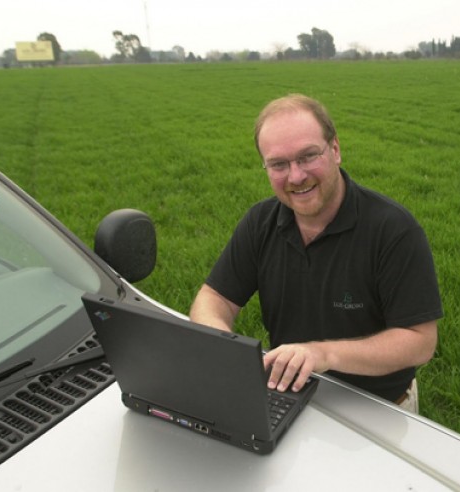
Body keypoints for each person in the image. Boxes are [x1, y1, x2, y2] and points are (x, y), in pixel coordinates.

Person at [189, 94, 443, 413]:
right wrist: (225, 345)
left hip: (379, 409)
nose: (296, 176)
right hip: (287, 397)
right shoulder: (260, 223)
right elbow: (215, 297)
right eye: (279, 164)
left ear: (335, 149)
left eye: (308, 156)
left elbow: (420, 341)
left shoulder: (393, 230)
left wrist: (323, 354)